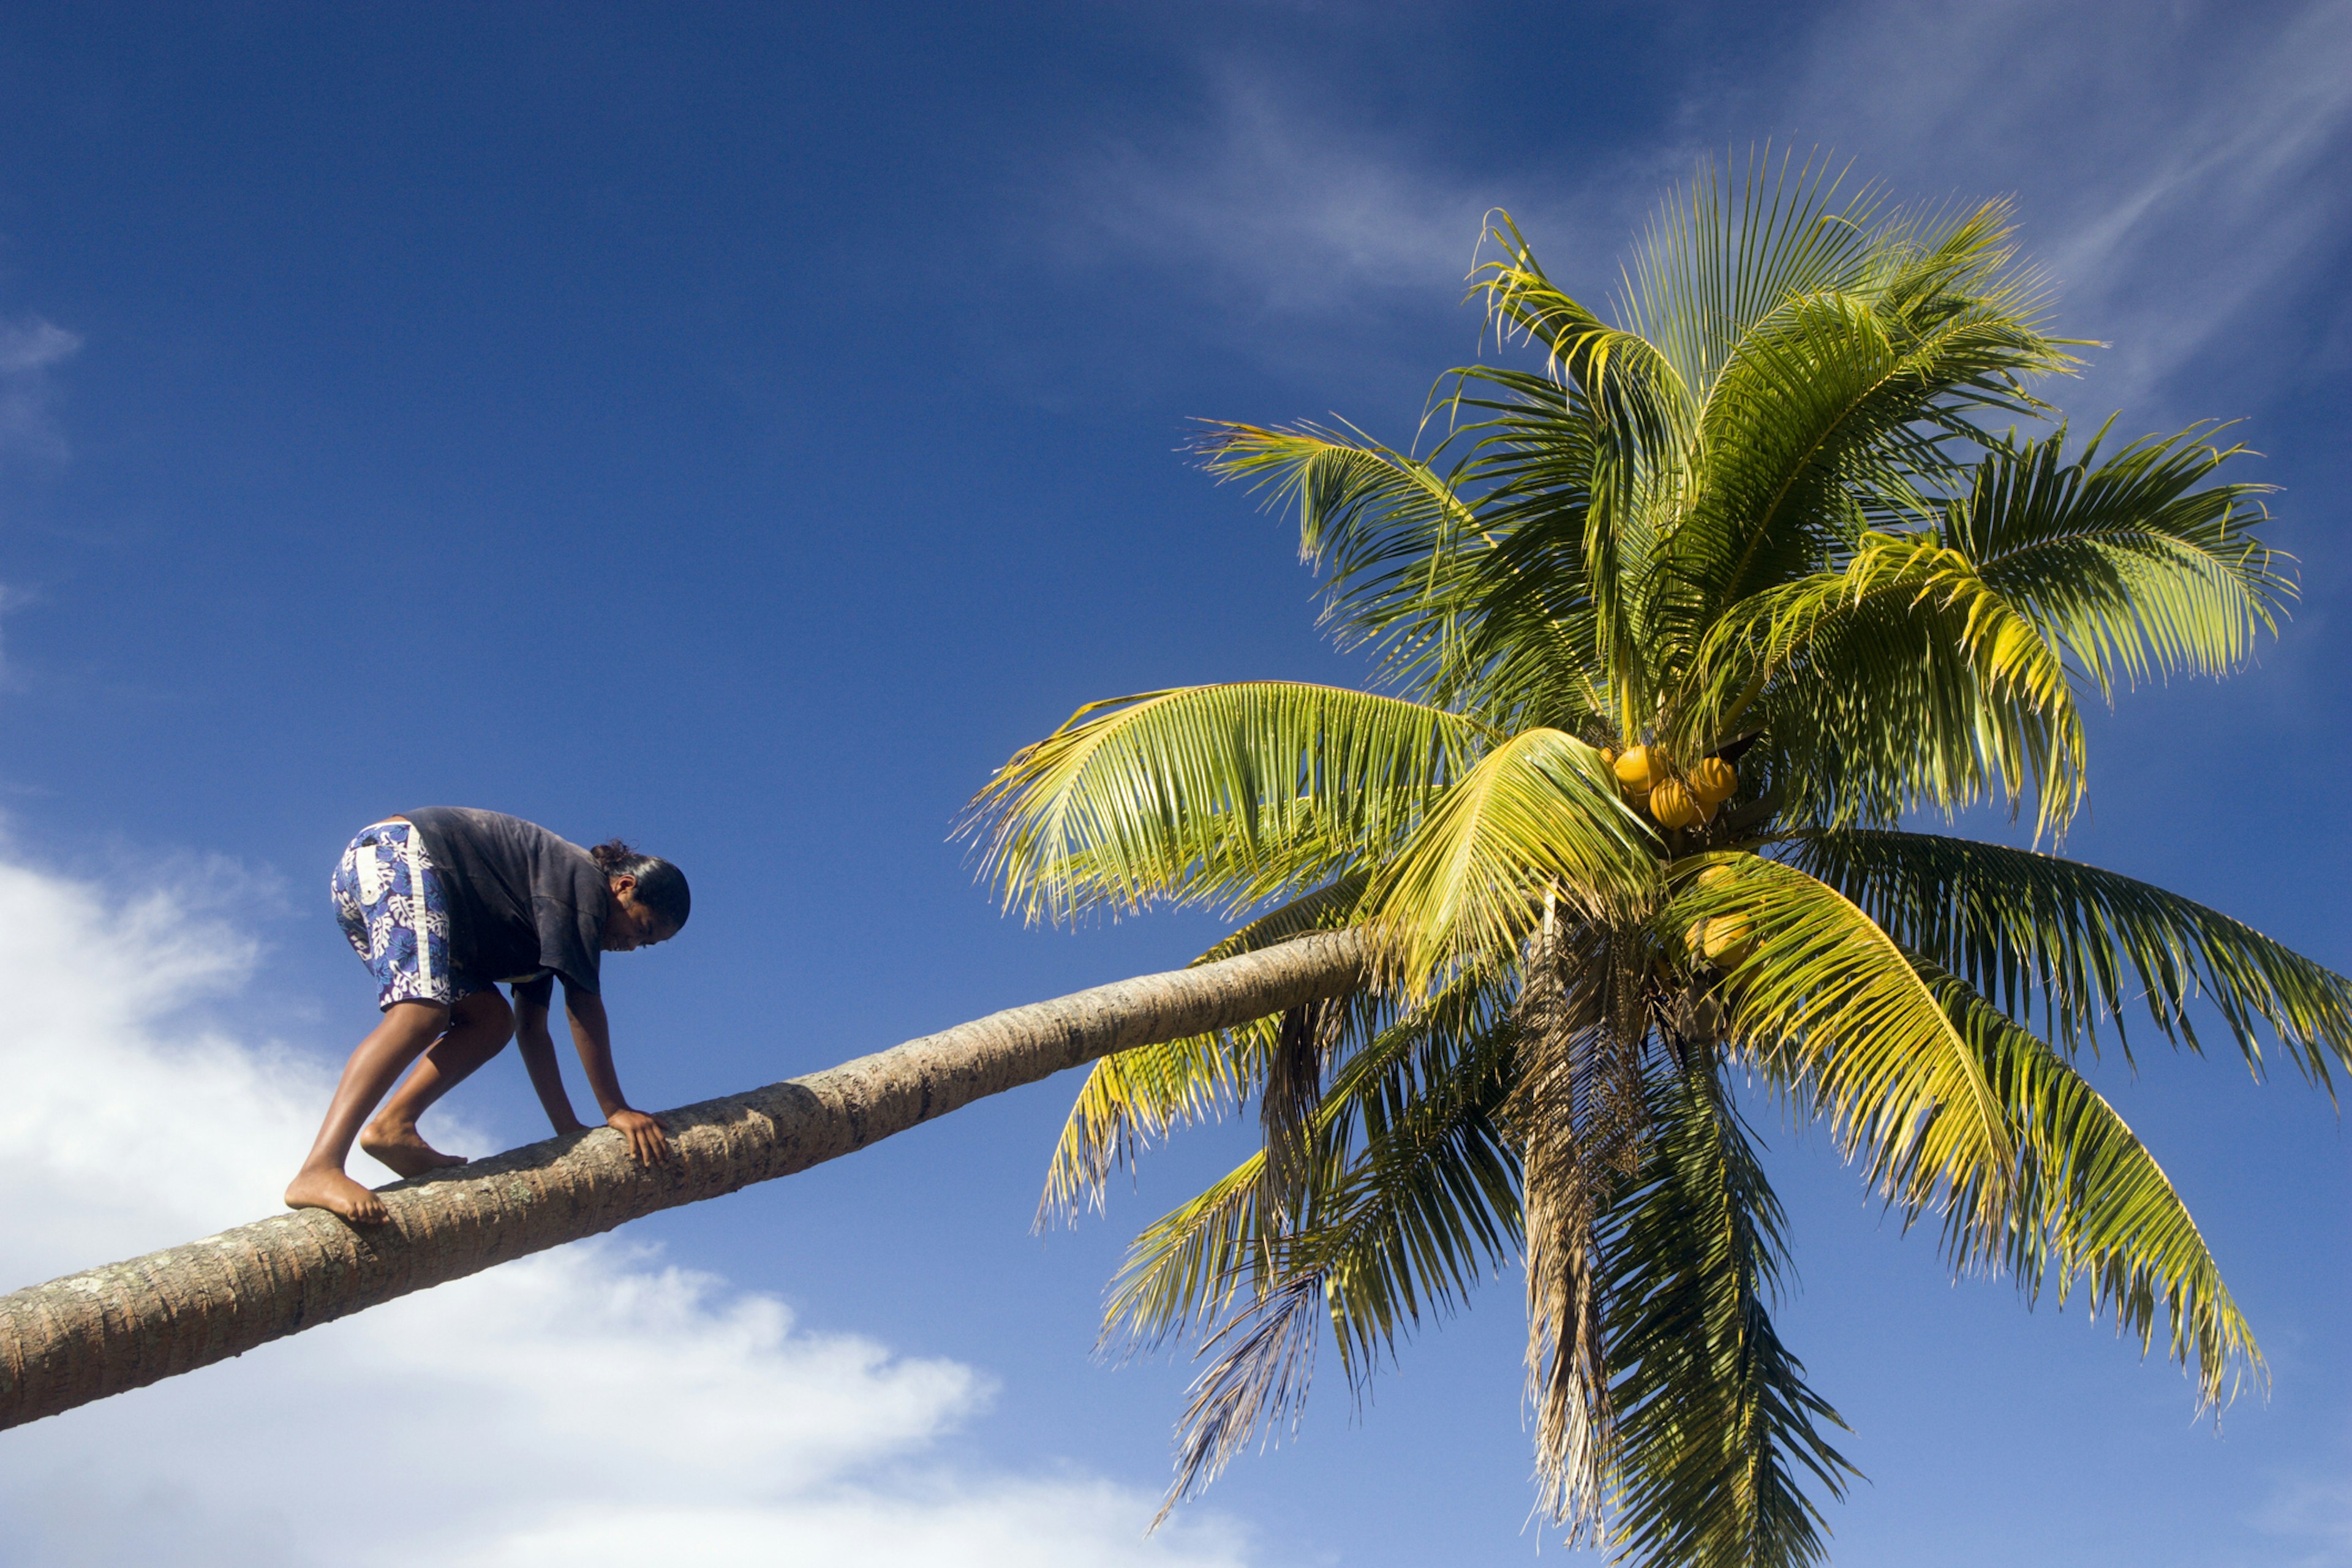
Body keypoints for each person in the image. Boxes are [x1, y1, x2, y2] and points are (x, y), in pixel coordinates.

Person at [284, 807, 690, 1224]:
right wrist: (616, 1109)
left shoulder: (547, 932)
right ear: (623, 887)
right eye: (642, 929)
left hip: (398, 887)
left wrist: (567, 1127)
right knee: (419, 1013)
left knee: (492, 1021)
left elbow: (532, 1031)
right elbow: (583, 1003)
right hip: (398, 857)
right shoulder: (581, 884)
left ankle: (393, 1128)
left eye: (647, 945)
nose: (631, 946)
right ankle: (320, 1167)